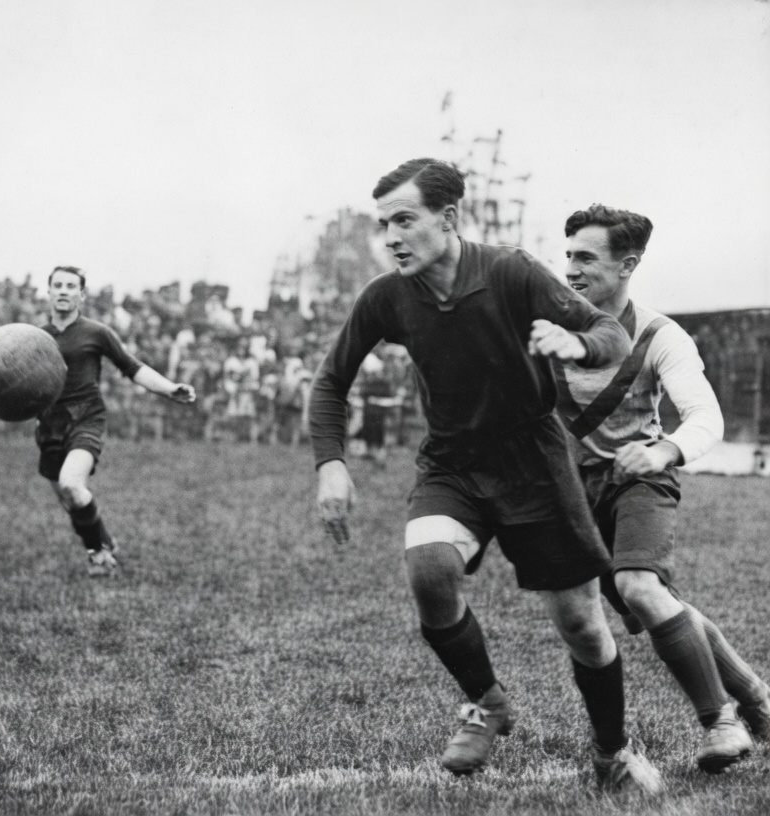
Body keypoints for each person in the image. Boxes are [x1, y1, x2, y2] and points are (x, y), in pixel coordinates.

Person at [309, 158, 663, 794]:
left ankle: (613, 751)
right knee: (428, 567)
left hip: (533, 461)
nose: (390, 237)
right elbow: (332, 381)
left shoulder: (510, 270)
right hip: (452, 462)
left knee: (582, 624)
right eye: (383, 224)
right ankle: (487, 702)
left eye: (404, 220)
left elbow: (608, 331)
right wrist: (331, 463)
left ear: (447, 219)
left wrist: (578, 345)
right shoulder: (387, 296)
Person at [555, 204, 770, 772]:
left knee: (640, 587)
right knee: (649, 604)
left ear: (628, 264)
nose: (572, 269)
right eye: (568, 255)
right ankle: (756, 696)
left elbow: (705, 418)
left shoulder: (659, 334)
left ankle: (721, 722)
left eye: (587, 258)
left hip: (640, 481)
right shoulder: (546, 330)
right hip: (571, 496)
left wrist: (661, 451)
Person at [38, 265, 196, 576]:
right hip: (50, 425)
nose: (64, 291)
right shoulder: (36, 337)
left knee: (72, 484)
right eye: (58, 285)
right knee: (70, 499)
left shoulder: (95, 332)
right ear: (49, 292)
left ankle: (98, 554)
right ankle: (104, 541)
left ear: (81, 295)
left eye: (71, 286)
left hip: (86, 417)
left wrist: (169, 389)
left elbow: (131, 366)